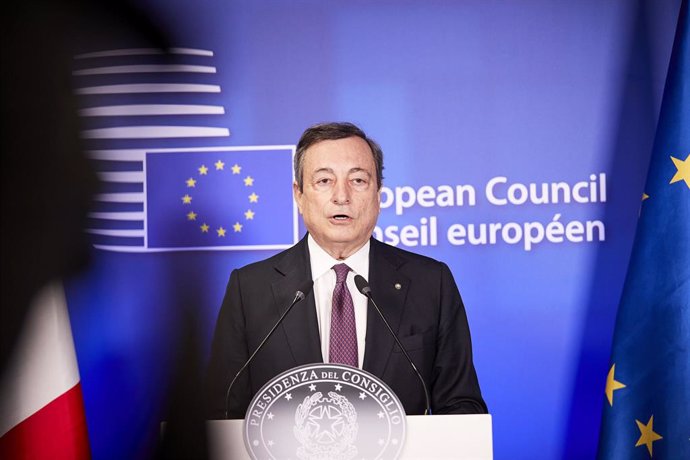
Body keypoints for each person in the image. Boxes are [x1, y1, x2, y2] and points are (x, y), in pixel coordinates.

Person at [205, 122, 487, 419]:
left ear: (379, 195)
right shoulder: (249, 289)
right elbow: (222, 411)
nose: (342, 196)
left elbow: (461, 407)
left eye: (358, 180)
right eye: (324, 181)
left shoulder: (431, 283)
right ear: (299, 196)